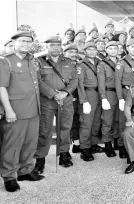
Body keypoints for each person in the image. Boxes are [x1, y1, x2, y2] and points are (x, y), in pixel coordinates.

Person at [0, 31, 45, 192]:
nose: (26, 44)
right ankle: (9, 176)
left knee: (29, 143)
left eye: (29, 42)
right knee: (12, 144)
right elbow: (1, 87)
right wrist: (8, 110)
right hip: (16, 112)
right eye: (23, 41)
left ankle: (25, 170)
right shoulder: (6, 61)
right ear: (14, 42)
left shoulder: (31, 61)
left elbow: (37, 84)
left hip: (33, 109)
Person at [32, 36, 79, 175]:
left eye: (58, 45)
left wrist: (65, 93)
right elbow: (38, 81)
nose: (55, 48)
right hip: (47, 100)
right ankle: (40, 158)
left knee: (65, 127)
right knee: (45, 129)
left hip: (66, 100)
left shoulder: (68, 62)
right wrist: (53, 94)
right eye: (52, 45)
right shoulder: (39, 62)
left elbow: (75, 80)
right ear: (47, 47)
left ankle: (64, 153)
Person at [77, 42, 103, 161]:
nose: (92, 52)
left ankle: (93, 143)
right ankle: (85, 148)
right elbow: (79, 84)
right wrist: (84, 100)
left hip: (99, 93)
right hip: (88, 93)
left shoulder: (99, 62)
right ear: (85, 51)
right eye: (89, 50)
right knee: (86, 122)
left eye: (94, 49)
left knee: (96, 121)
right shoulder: (81, 65)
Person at [115, 38, 134, 158]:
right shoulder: (122, 62)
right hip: (126, 92)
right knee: (123, 119)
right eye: (132, 47)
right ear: (127, 48)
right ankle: (122, 146)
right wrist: (120, 98)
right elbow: (117, 81)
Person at [97, 41, 120, 157]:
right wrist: (103, 97)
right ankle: (107, 144)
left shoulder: (121, 61)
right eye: (110, 48)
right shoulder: (102, 64)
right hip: (109, 93)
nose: (113, 50)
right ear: (106, 50)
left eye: (115, 48)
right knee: (107, 120)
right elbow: (101, 82)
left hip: (120, 94)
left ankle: (116, 140)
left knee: (118, 119)